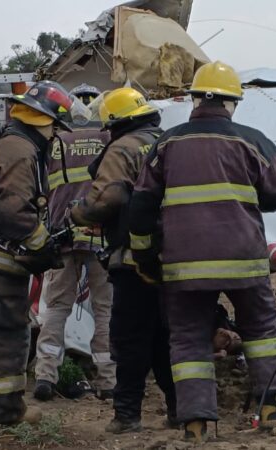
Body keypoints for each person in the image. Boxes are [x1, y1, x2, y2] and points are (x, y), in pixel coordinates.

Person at [128, 61, 276, 443]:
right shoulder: (252, 141)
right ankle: (270, 408)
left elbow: (140, 209)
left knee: (187, 339)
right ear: (232, 103)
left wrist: (146, 260)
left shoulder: (166, 143)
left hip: (184, 267)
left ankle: (196, 424)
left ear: (193, 100)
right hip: (243, 260)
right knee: (262, 327)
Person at [0, 80, 73, 424]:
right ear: (45, 120)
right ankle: (4, 413)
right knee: (5, 334)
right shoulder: (21, 151)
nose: (55, 135)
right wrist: (43, 245)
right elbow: (14, 210)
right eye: (55, 127)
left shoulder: (10, 142)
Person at [70, 87, 177, 433]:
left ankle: (127, 414)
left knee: (130, 339)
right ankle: (181, 410)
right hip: (174, 257)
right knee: (166, 337)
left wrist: (78, 214)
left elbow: (108, 199)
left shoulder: (122, 148)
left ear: (114, 121)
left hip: (134, 260)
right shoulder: (165, 141)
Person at [33, 87, 115, 401]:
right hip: (99, 236)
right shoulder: (108, 140)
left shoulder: (54, 143)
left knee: (55, 308)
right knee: (104, 310)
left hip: (60, 234)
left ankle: (45, 376)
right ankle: (107, 381)